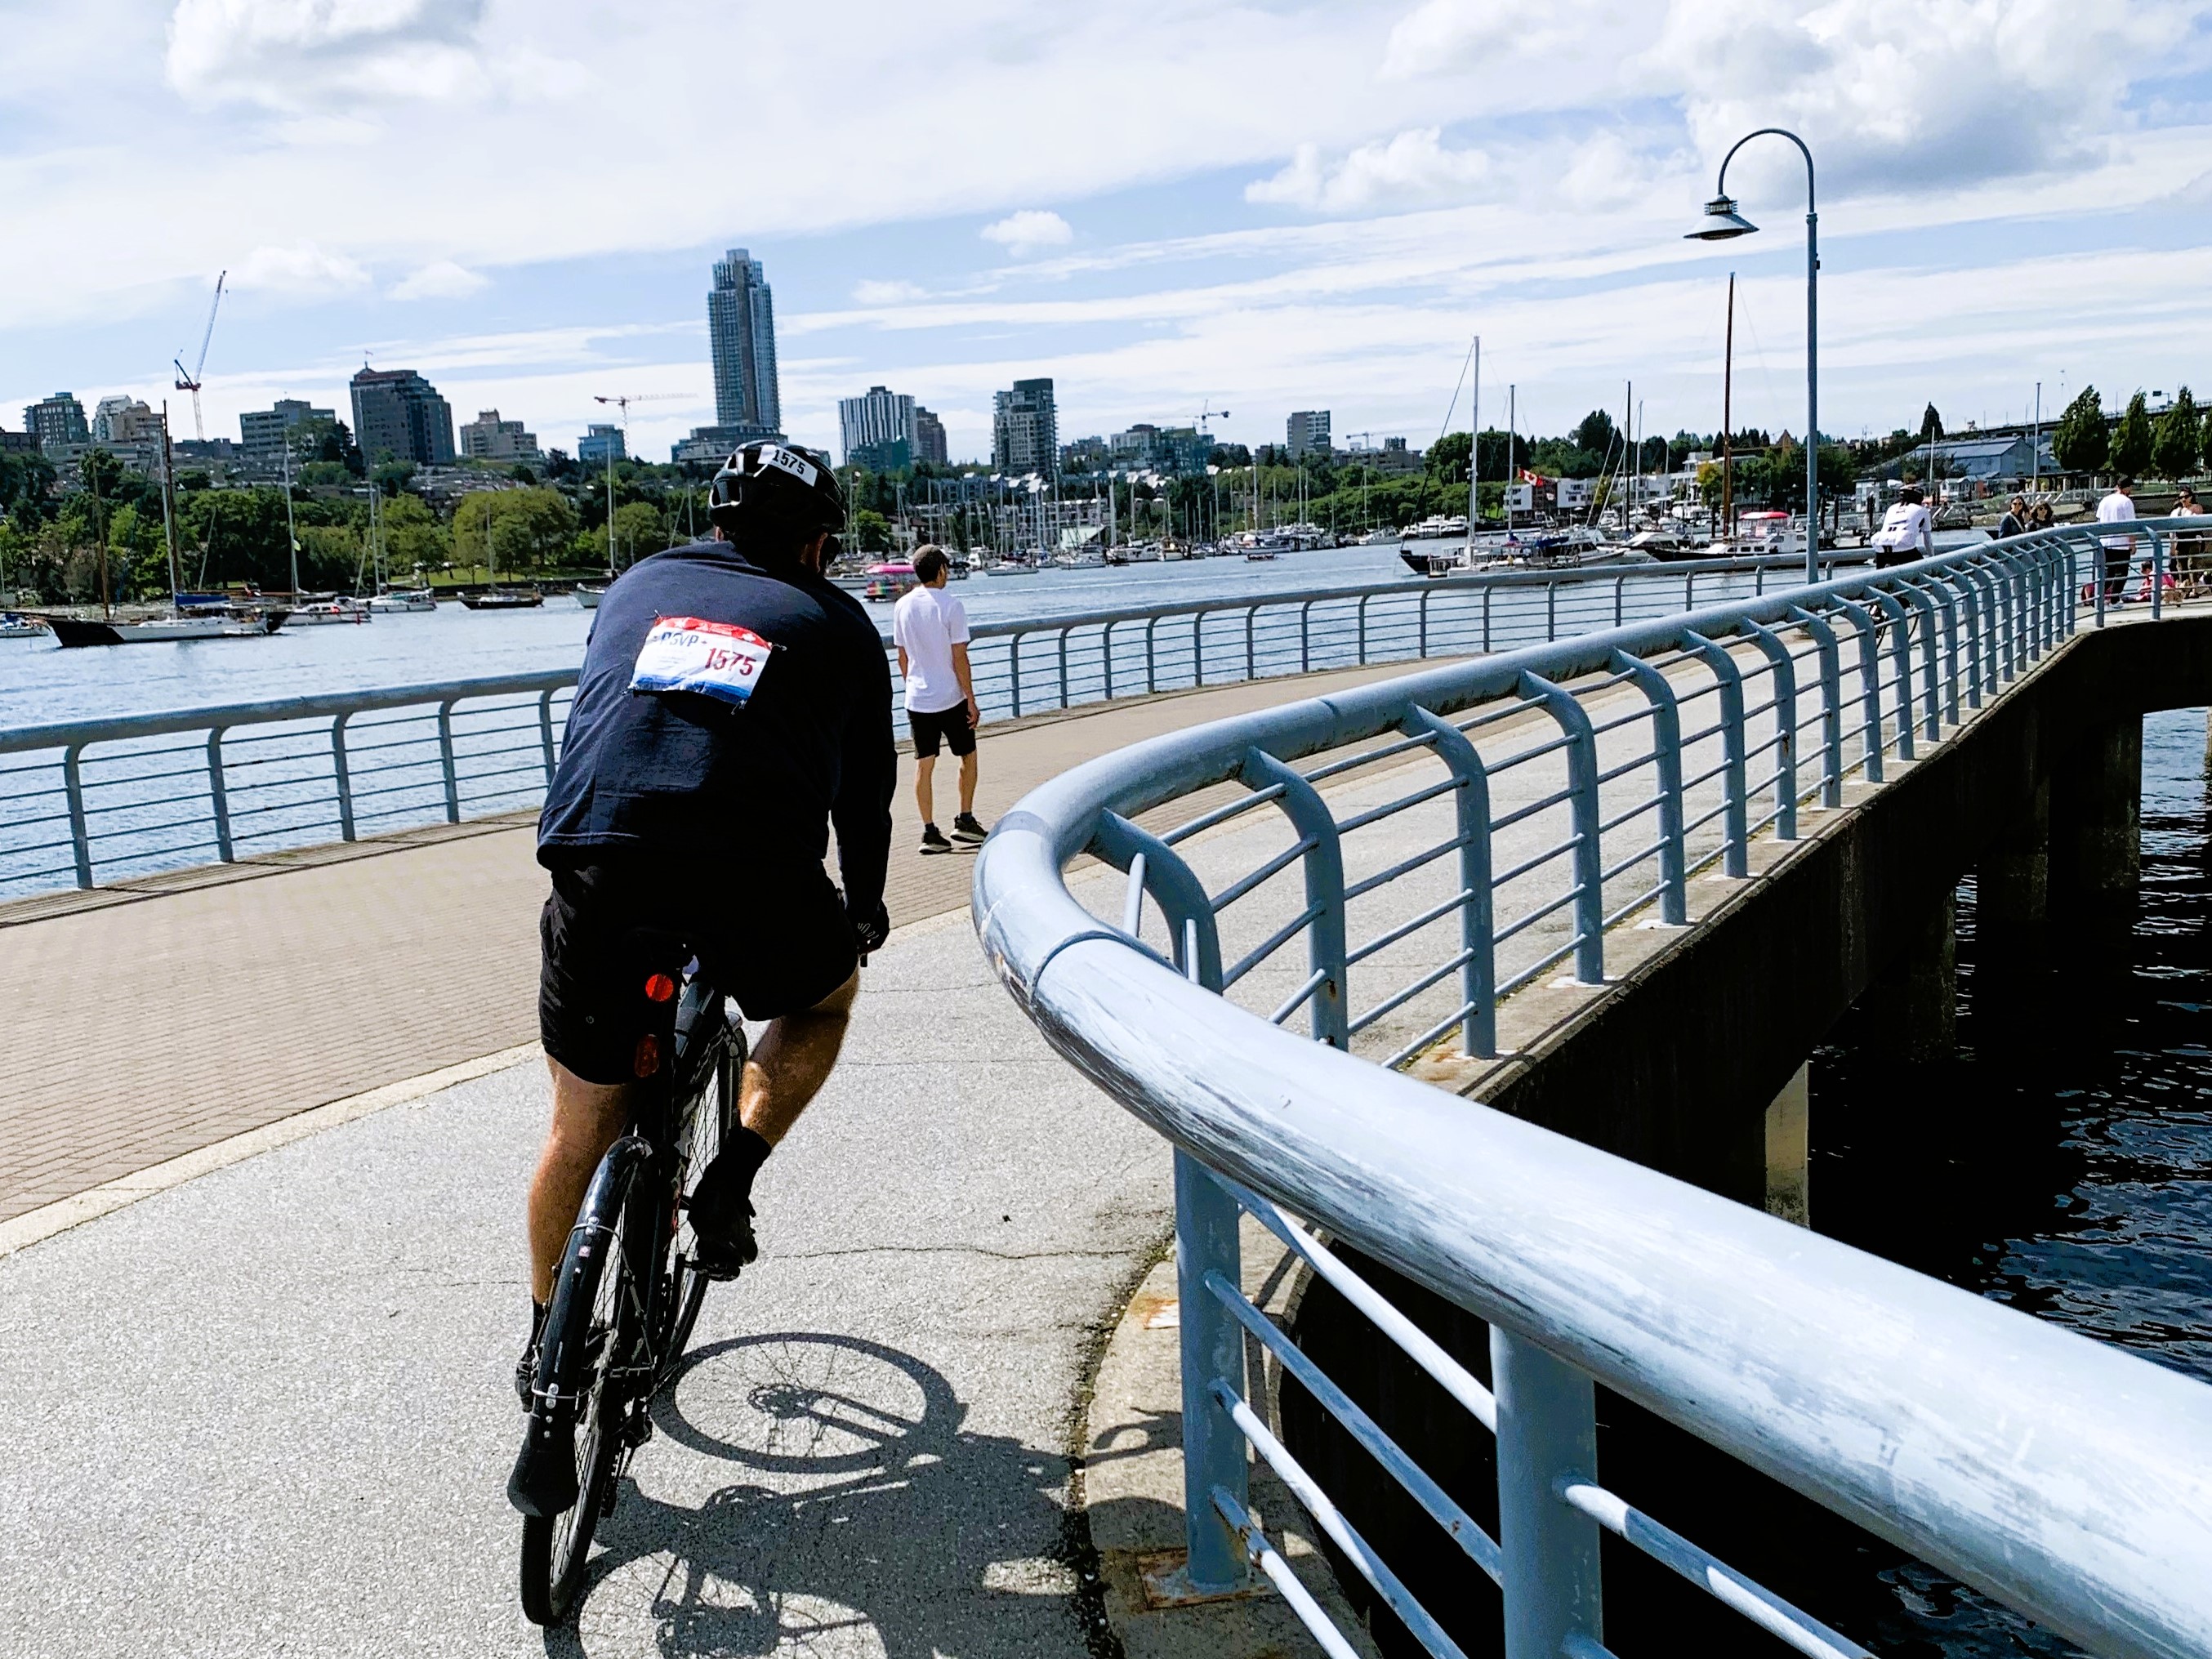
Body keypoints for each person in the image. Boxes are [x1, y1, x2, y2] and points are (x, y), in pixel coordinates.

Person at [520, 440, 894, 1398]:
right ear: (817, 545)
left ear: (716, 521)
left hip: (597, 854)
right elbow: (865, 800)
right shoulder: (837, 622)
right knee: (820, 1004)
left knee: (578, 1130)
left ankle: (548, 1349)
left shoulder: (638, 582)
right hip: (751, 873)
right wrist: (863, 903)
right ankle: (726, 1181)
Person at [891, 544, 987, 854]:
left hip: (917, 699)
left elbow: (902, 656)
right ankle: (965, 819)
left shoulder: (902, 606)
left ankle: (930, 832)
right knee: (967, 756)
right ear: (942, 570)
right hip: (950, 696)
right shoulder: (951, 605)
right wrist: (970, 699)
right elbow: (960, 657)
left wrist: (913, 684)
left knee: (924, 764)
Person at [2097, 477, 2138, 603]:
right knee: (2122, 573)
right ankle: (2114, 599)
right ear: (2126, 487)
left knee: (2108, 573)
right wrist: (2132, 543)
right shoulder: (2126, 502)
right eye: (2130, 487)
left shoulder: (2105, 500)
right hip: (2121, 543)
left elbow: (2099, 519)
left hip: (2105, 542)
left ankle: (2098, 597)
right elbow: (2130, 525)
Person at [1871, 485, 1933, 569]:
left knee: (1880, 578)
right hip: (1903, 545)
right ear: (1918, 498)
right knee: (1923, 571)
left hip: (1881, 546)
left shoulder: (1891, 508)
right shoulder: (1922, 510)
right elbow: (1927, 541)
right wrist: (1932, 559)